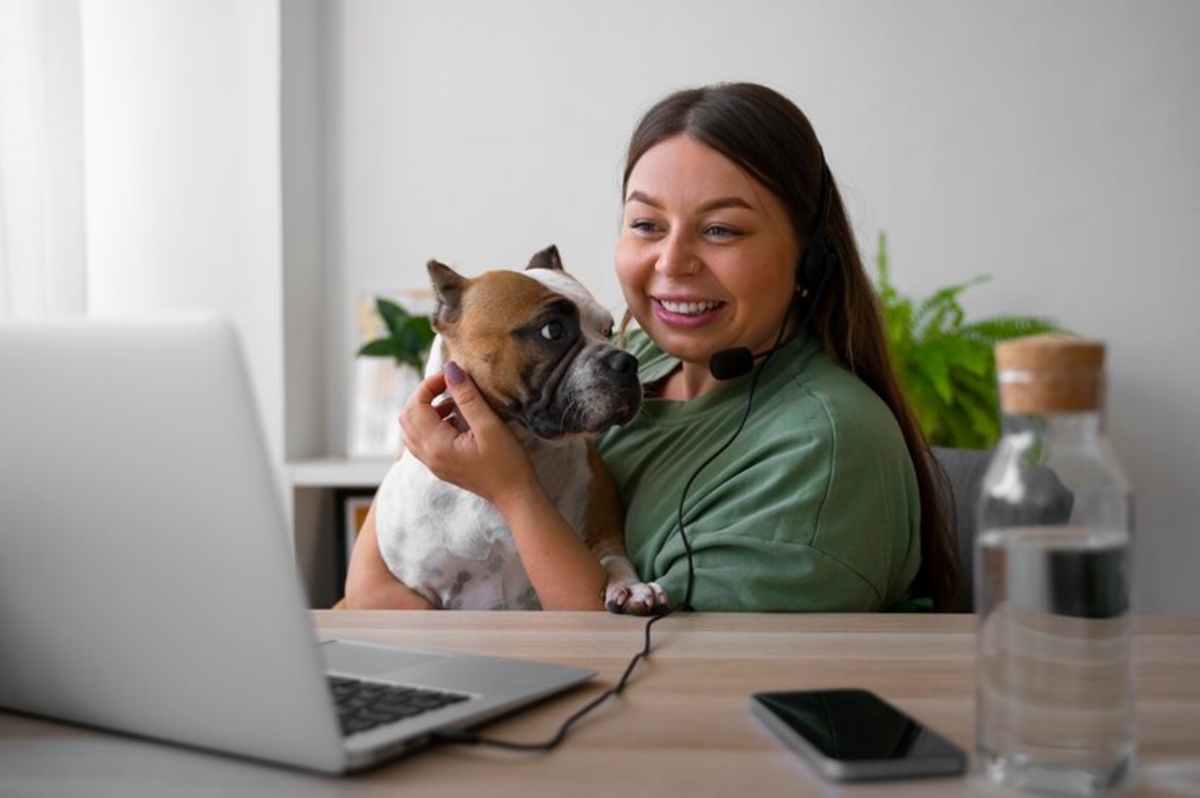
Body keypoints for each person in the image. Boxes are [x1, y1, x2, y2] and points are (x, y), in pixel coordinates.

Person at [344, 81, 961, 613]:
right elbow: (371, 592)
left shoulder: (820, 449)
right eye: (646, 225)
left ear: (810, 254)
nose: (672, 261)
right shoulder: (637, 371)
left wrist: (512, 491)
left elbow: (646, 670)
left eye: (721, 229)